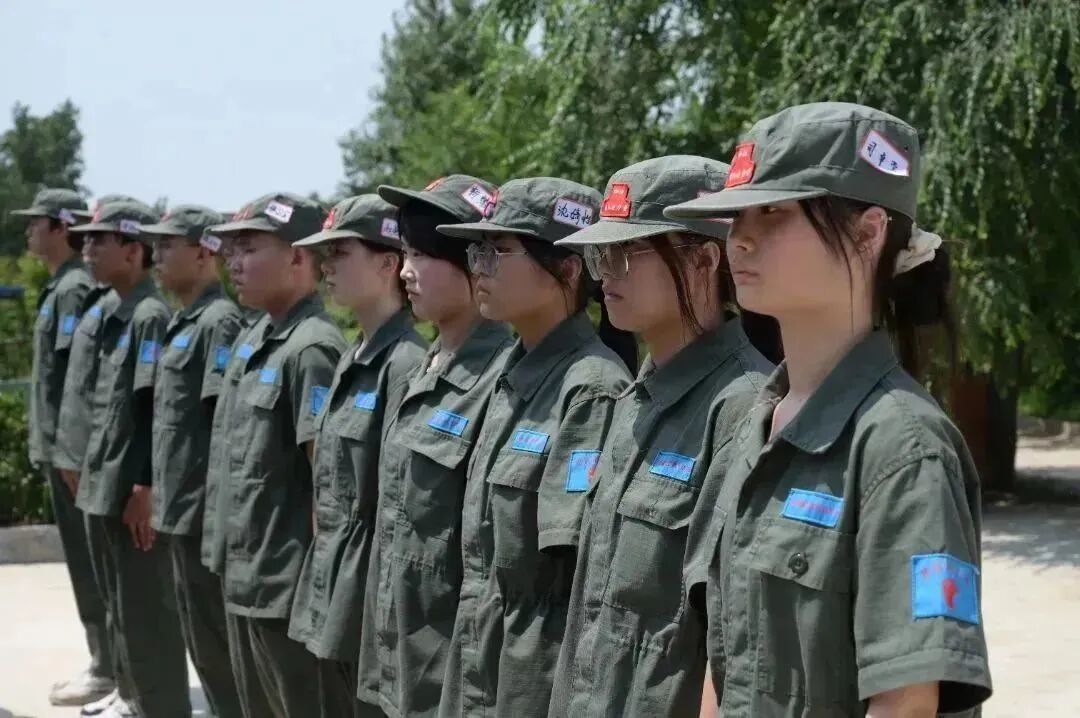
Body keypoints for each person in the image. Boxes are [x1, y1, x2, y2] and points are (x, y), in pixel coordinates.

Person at [665, 101, 993, 716]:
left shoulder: (903, 448)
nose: (741, 238)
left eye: (774, 211)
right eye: (737, 216)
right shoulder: (753, 426)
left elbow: (905, 705)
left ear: (869, 232)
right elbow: (723, 661)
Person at [547, 156, 775, 717]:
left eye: (625, 253)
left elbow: (734, 636)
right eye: (599, 256)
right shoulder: (632, 400)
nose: (604, 275)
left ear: (704, 260)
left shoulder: (744, 410)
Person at [433, 177, 634, 717]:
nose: (478, 267)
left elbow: (571, 581)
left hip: (533, 677)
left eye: (498, 252)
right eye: (476, 251)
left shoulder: (590, 388)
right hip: (478, 658)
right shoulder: (509, 372)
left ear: (567, 269)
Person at [353, 174, 513, 717]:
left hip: (455, 664)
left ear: (473, 263)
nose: (405, 271)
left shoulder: (501, 380)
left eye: (422, 255)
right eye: (404, 253)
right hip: (401, 646)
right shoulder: (421, 369)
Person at [287, 195, 429, 717]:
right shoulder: (353, 355)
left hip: (369, 591)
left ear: (388, 263)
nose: (326, 266)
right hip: (335, 578)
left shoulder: (405, 363)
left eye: (341, 252)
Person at [207, 193, 348, 718]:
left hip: (286, 590)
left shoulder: (311, 348)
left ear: (298, 256)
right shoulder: (257, 337)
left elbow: (326, 483)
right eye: (230, 250)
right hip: (245, 575)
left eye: (249, 248)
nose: (234, 262)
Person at [71, 201, 191, 718]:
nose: (87, 249)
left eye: (100, 239)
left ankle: (156, 703)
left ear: (131, 250)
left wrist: (145, 483)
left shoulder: (148, 315)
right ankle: (131, 693)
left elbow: (150, 407)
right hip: (106, 480)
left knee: (145, 608)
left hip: (128, 486)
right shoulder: (116, 311)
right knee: (120, 602)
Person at [12, 189, 115, 707]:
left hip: (73, 454)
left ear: (60, 227)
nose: (28, 231)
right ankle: (104, 660)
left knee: (92, 564)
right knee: (83, 561)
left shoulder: (75, 289)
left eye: (37, 223)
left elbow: (80, 382)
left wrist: (73, 450)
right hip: (61, 451)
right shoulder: (62, 287)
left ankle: (109, 666)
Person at [141, 206, 245, 718]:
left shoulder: (219, 322)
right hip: (179, 508)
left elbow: (220, 424)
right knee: (202, 644)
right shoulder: (184, 319)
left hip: (203, 513)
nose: (155, 256)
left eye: (167, 245)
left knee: (219, 649)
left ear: (204, 252)